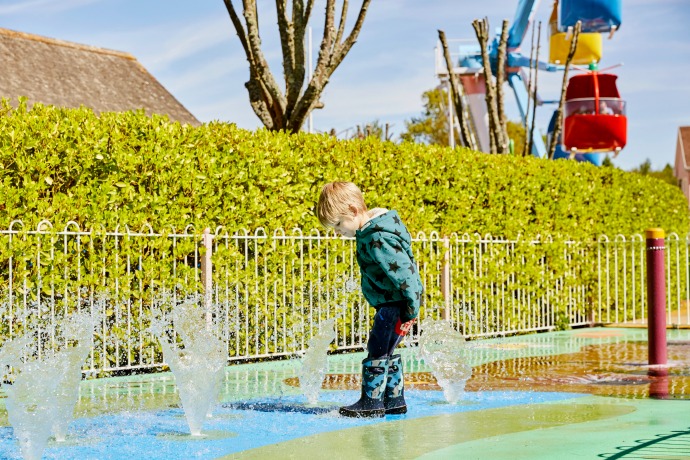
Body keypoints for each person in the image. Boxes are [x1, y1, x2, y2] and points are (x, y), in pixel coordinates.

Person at [316, 181, 423, 417]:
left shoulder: (378, 237)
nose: (337, 231)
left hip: (394, 306)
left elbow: (406, 274)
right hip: (394, 305)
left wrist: (411, 308)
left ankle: (371, 403)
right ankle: (394, 400)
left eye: (338, 224)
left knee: (377, 349)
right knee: (387, 349)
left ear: (353, 210)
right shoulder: (371, 233)